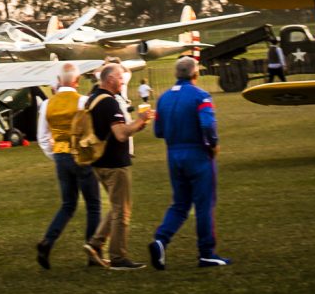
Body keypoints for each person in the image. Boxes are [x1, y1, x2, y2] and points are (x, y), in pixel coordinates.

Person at [148, 56, 231, 270]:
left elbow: (158, 131)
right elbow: (207, 123)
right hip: (197, 153)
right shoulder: (201, 96)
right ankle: (206, 253)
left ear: (176, 74)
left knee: (180, 204)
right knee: (204, 204)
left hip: (173, 155)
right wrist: (213, 144)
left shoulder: (163, 98)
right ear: (195, 73)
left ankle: (161, 240)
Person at [83, 63, 152, 271]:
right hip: (115, 163)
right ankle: (118, 257)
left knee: (115, 206)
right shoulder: (110, 103)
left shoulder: (92, 98)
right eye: (121, 78)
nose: (123, 82)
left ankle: (95, 244)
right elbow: (121, 134)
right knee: (122, 211)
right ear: (110, 79)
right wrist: (140, 122)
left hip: (98, 162)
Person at [36, 63, 102, 270]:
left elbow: (42, 137)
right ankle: (93, 250)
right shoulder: (83, 101)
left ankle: (48, 240)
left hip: (61, 157)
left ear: (59, 79)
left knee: (67, 204)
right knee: (93, 205)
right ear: (77, 80)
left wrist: (55, 155)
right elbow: (91, 133)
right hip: (81, 157)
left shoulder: (47, 104)